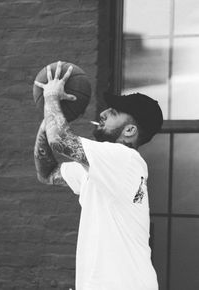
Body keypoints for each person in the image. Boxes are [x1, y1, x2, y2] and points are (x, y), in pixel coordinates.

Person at [34, 61, 163, 290]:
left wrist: (51, 98)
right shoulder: (102, 170)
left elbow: (60, 141)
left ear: (130, 131)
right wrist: (47, 123)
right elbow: (47, 173)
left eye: (112, 112)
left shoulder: (124, 159)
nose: (102, 113)